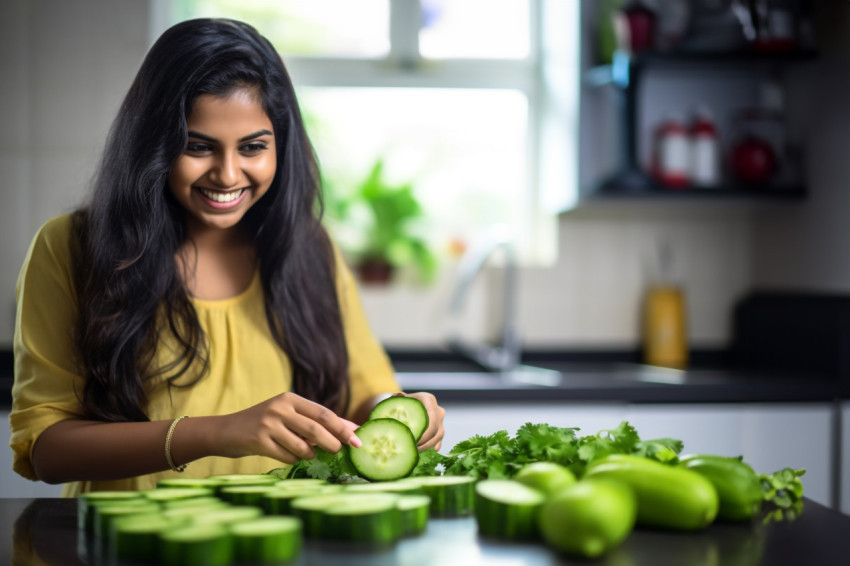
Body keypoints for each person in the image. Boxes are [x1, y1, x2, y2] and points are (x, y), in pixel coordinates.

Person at [10, 18, 445, 497]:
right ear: (155, 143)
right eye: (198, 147)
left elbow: (369, 391)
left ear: (281, 144)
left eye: (253, 147)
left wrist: (404, 412)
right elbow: (44, 448)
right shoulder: (70, 247)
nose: (228, 174)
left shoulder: (311, 248)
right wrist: (216, 432)